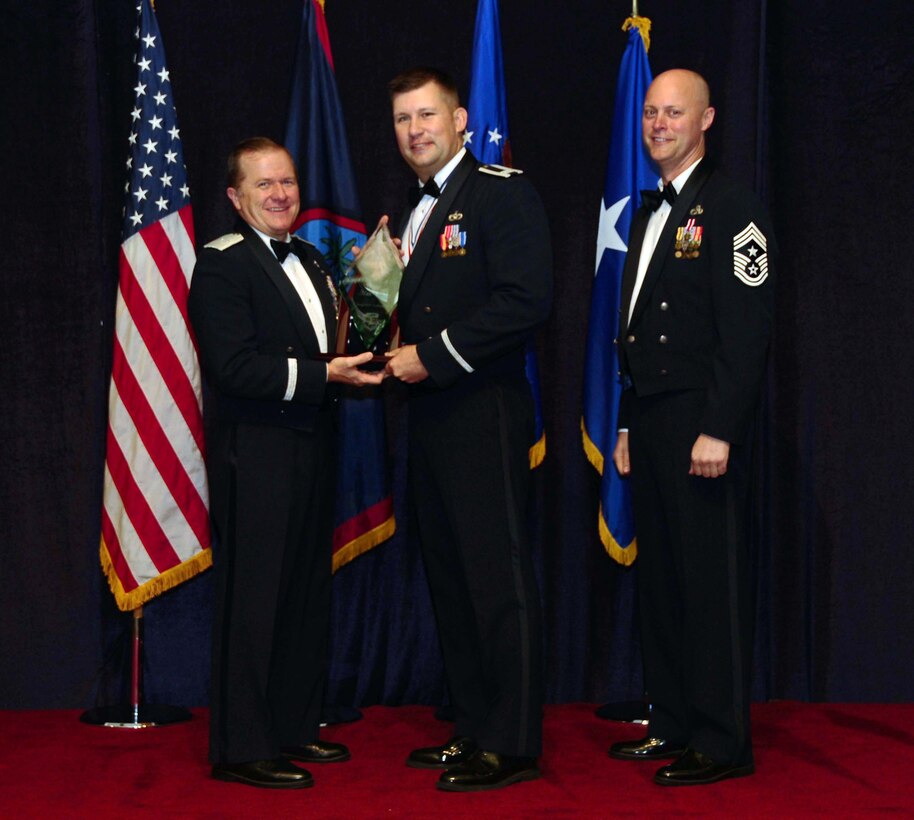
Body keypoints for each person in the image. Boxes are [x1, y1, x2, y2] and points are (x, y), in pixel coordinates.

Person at [188, 137, 384, 789]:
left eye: (288, 184)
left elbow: (336, 342)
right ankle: (244, 747)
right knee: (257, 598)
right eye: (265, 185)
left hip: (313, 444)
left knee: (303, 592)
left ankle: (295, 727)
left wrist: (381, 288)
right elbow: (233, 367)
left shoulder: (309, 257)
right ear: (235, 197)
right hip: (259, 452)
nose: (281, 196)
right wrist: (326, 372)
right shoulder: (220, 266)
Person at [384, 67, 552, 792]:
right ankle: (474, 726)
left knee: (496, 578)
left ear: (459, 121)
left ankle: (511, 741)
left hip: (482, 410)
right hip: (429, 419)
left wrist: (433, 355)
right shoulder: (414, 211)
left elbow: (526, 301)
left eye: (427, 115)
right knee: (452, 579)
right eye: (401, 119)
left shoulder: (500, 192)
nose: (415, 130)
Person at [609, 70, 776, 786]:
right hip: (649, 418)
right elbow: (638, 332)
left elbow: (749, 330)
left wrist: (721, 427)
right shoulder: (648, 213)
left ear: (708, 118)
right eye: (651, 112)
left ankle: (721, 739)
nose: (658, 123)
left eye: (673, 112)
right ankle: (672, 721)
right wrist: (623, 421)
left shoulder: (733, 205)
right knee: (665, 583)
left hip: (701, 422)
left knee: (710, 583)